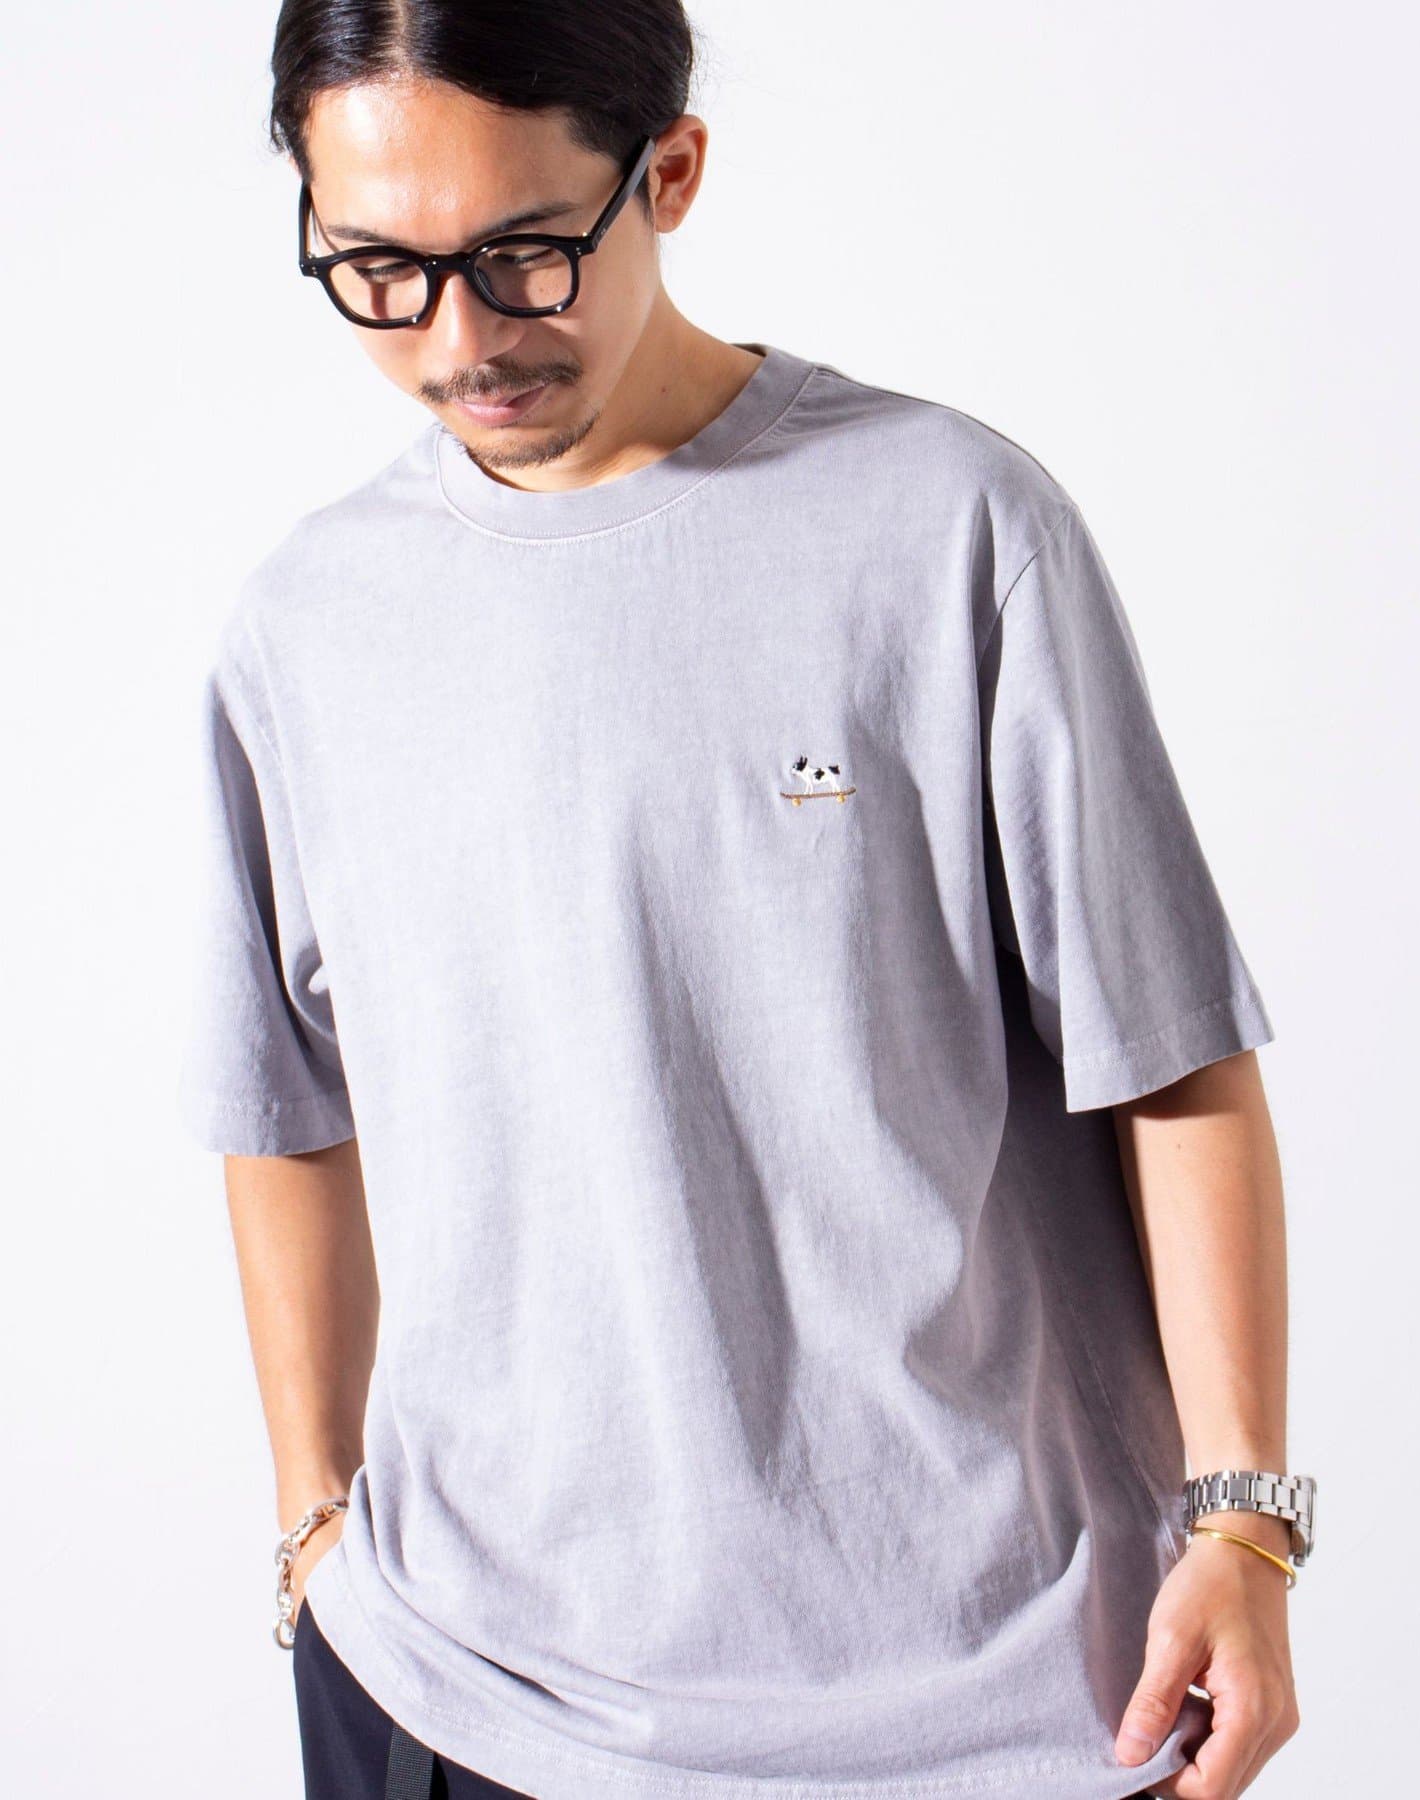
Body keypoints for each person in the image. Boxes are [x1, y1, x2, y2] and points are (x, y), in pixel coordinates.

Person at [176, 4, 1314, 1797]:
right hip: (465, 1689)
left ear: (672, 173)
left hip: (997, 1707)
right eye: (378, 271)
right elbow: (283, 1107)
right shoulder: (307, 629)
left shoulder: (950, 527)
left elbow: (1169, 1063)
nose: (461, 340)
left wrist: (1244, 1525)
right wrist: (316, 1532)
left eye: (525, 255)